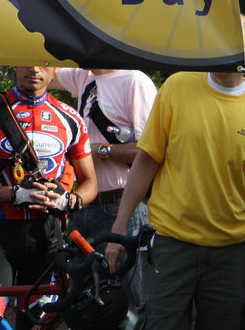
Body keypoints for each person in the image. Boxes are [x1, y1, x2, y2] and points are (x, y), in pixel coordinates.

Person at [0, 65, 97, 330]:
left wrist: (69, 200)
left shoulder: (70, 117)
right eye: (27, 61)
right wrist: (12, 194)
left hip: (48, 240)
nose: (35, 68)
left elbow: (90, 183)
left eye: (43, 62)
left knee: (37, 326)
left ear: (55, 70)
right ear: (15, 65)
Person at [104, 51, 245, 329]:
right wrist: (119, 226)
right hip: (170, 243)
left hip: (233, 250)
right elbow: (147, 159)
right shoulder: (177, 86)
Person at [51, 67, 155, 327]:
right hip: (85, 205)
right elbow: (40, 69)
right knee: (89, 302)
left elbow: (150, 150)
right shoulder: (83, 76)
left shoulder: (134, 81)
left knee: (125, 302)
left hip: (121, 205)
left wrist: (102, 150)